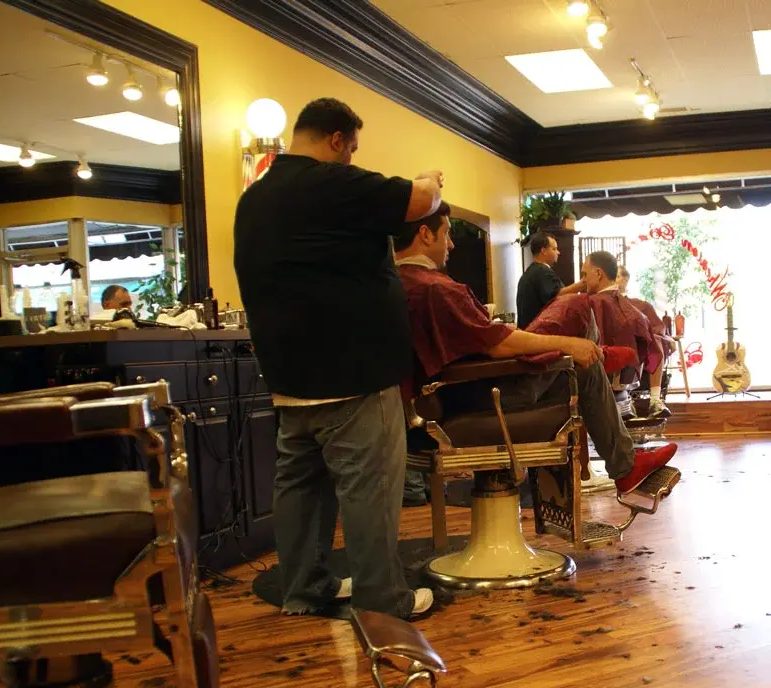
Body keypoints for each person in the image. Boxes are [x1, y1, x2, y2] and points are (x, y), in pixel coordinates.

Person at [234, 97, 443, 619]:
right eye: (351, 148)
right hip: (353, 373)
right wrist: (430, 177)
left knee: (302, 490)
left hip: (290, 378)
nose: (352, 158)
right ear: (336, 140)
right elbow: (422, 199)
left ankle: (304, 588)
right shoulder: (331, 183)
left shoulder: (254, 198)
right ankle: (383, 600)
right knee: (370, 491)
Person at [393, 204, 677, 495]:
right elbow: (499, 345)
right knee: (582, 364)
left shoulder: (401, 282)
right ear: (425, 234)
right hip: (483, 396)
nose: (451, 243)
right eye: (447, 234)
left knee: (580, 361)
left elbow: (483, 340)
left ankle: (625, 462)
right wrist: (568, 344)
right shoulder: (435, 288)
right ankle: (625, 466)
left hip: (447, 399)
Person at [581, 253, 670, 418]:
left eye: (584, 275)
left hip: (602, 374)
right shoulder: (631, 309)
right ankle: (650, 400)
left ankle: (653, 400)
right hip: (626, 373)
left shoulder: (593, 303)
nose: (582, 280)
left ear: (599, 274)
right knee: (655, 341)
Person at [617, 266, 674, 416]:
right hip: (613, 349)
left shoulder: (641, 305)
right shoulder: (601, 302)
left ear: (625, 279)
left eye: (616, 276)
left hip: (642, 349)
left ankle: (655, 400)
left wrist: (666, 338)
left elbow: (657, 327)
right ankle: (624, 401)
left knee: (656, 340)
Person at [516, 232, 586, 329]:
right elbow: (557, 296)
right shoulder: (541, 271)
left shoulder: (532, 271)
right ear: (543, 251)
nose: (558, 252)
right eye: (554, 249)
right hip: (538, 332)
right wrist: (583, 283)